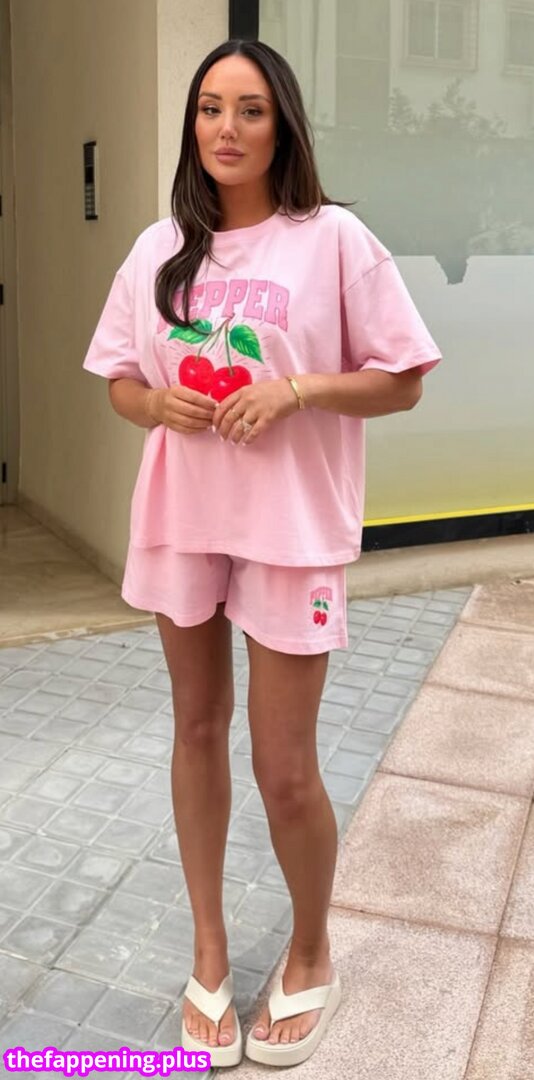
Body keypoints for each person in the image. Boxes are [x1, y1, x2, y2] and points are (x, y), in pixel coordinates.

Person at [82, 38, 442, 1069]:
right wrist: (156, 405)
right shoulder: (159, 248)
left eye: (249, 110)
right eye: (209, 108)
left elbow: (404, 377)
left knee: (285, 769)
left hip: (289, 529)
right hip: (183, 519)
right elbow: (121, 381)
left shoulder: (333, 240)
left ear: (283, 125)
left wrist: (297, 389)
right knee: (196, 729)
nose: (225, 129)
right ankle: (208, 950)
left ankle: (312, 949)